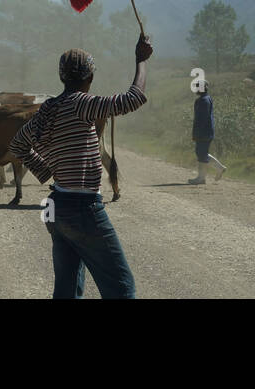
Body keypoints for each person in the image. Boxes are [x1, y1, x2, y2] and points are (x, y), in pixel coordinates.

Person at [9, 33, 153, 299]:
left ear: (62, 77)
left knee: (66, 290)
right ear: (90, 78)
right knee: (122, 289)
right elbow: (134, 98)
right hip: (83, 209)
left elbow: (17, 145)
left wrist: (45, 170)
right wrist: (141, 61)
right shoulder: (82, 104)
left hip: (56, 206)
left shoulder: (48, 108)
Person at [188, 82, 226, 184]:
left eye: (197, 88)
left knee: (201, 153)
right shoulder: (206, 99)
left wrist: (197, 133)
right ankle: (215, 170)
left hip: (203, 131)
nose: (195, 90)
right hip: (206, 131)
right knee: (202, 153)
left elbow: (201, 119)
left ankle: (202, 177)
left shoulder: (203, 101)